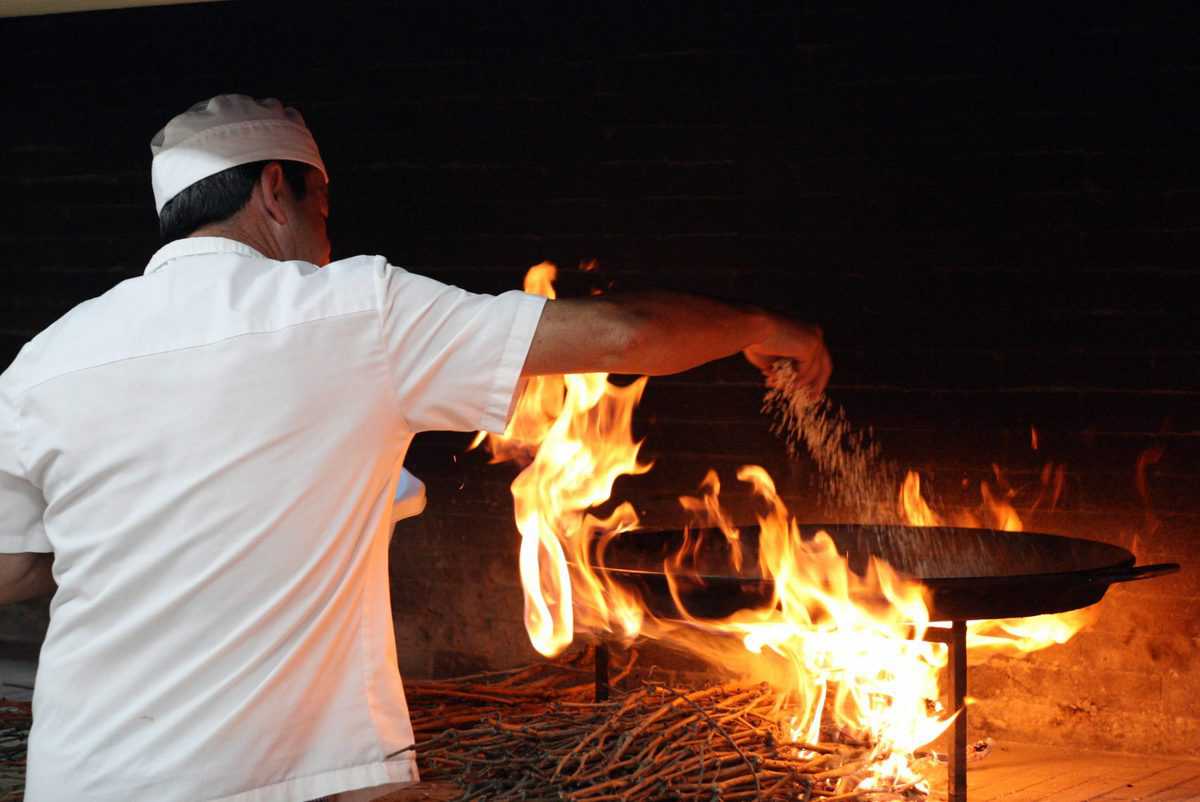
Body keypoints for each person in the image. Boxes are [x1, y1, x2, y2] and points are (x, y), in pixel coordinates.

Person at [0, 95, 830, 802]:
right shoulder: (356, 313)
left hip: (79, 774)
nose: (328, 234)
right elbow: (624, 332)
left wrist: (117, 543)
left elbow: (8, 570)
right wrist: (760, 326)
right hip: (291, 779)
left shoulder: (44, 360)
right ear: (277, 188)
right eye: (324, 206)